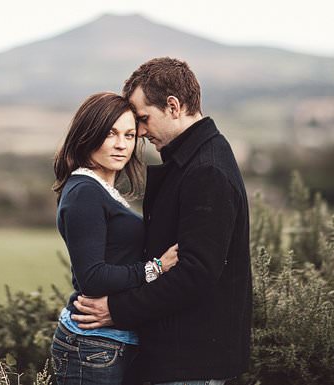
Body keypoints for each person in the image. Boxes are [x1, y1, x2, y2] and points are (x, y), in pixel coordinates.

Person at [72, 58, 252, 385]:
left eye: (143, 119)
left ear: (173, 106)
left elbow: (195, 274)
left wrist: (117, 309)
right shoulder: (194, 159)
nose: (139, 133)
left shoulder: (206, 170)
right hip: (178, 356)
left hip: (190, 361)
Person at [51, 92, 179, 385]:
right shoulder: (84, 192)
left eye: (130, 135)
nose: (122, 144)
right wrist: (156, 267)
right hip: (93, 344)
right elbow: (92, 278)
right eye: (111, 134)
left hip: (111, 340)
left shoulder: (100, 188)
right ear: (88, 135)